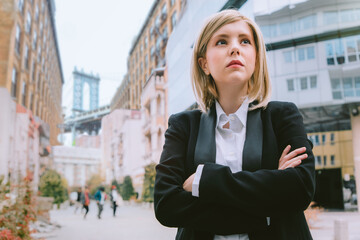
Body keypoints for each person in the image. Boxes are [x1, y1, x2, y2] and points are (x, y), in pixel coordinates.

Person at [154, 9, 315, 240]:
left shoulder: (283, 116)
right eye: (221, 41)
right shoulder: (183, 126)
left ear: (256, 59)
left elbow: (300, 188)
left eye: (245, 41)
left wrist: (204, 180)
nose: (235, 48)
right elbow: (166, 205)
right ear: (204, 64)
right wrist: (265, 210)